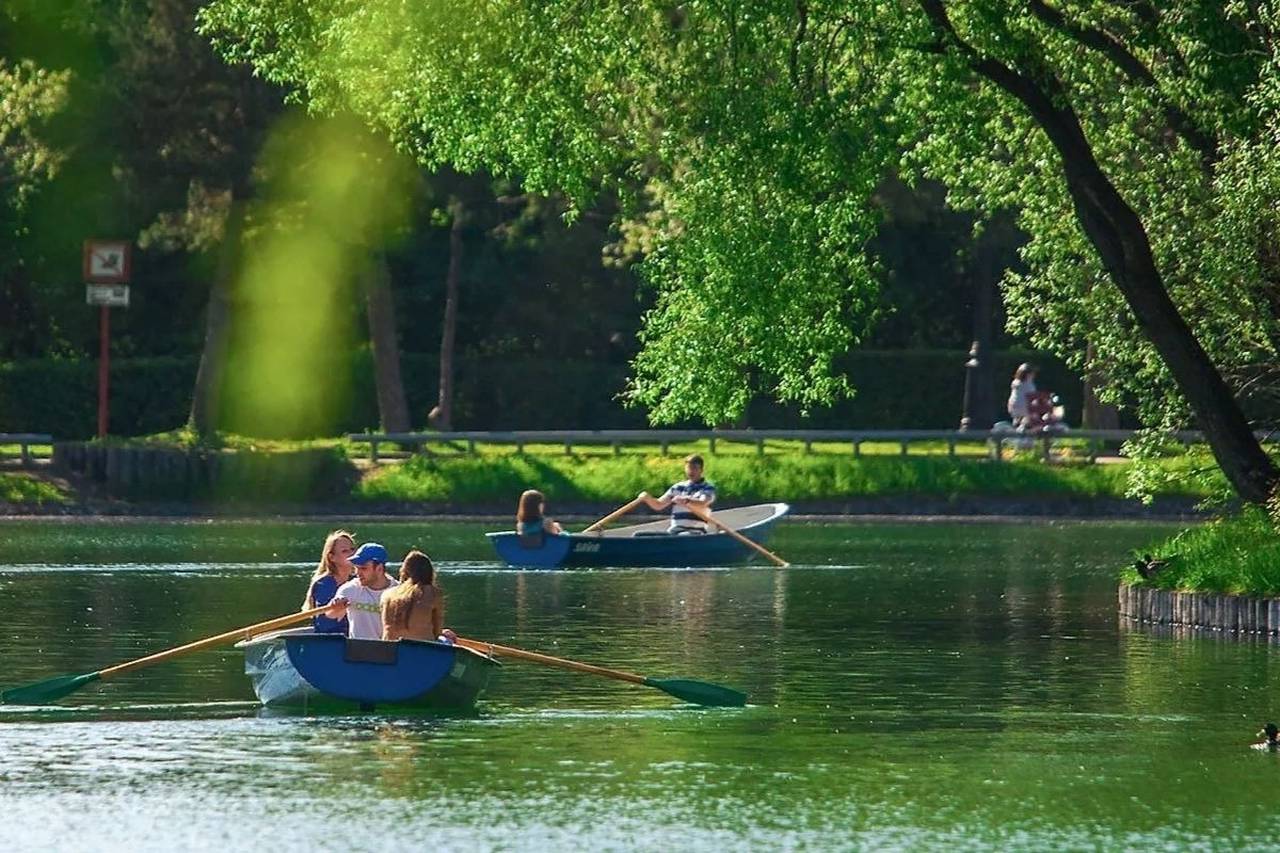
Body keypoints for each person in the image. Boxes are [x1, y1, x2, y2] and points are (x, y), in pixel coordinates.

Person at [324, 542, 399, 640]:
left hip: (389, 650)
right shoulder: (350, 589)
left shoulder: (398, 591)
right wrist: (335, 607)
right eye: (356, 568)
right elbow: (331, 614)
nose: (358, 573)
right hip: (357, 651)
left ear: (379, 569)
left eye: (363, 568)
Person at [381, 549, 454, 643]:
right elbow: (437, 632)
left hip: (391, 651)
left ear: (404, 571)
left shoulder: (387, 594)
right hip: (422, 649)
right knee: (449, 639)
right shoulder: (434, 593)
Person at [637, 453, 717, 533]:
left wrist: (686, 500)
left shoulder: (707, 488)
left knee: (684, 536)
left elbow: (703, 502)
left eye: (694, 468)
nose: (691, 471)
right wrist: (647, 498)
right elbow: (658, 505)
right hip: (675, 531)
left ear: (701, 470)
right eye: (689, 468)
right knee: (639, 534)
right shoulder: (678, 487)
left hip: (695, 532)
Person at [302, 530, 355, 635]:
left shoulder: (357, 580)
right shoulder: (324, 584)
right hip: (331, 641)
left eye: (352, 549)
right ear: (332, 557)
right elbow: (324, 624)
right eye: (345, 551)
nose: (352, 554)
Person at [1007, 363, 1038, 429]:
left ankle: (1016, 430)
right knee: (1032, 418)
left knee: (1017, 420)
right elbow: (1032, 397)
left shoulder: (1015, 382)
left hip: (1013, 406)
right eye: (1032, 373)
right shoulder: (1029, 384)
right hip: (1024, 407)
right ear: (1028, 374)